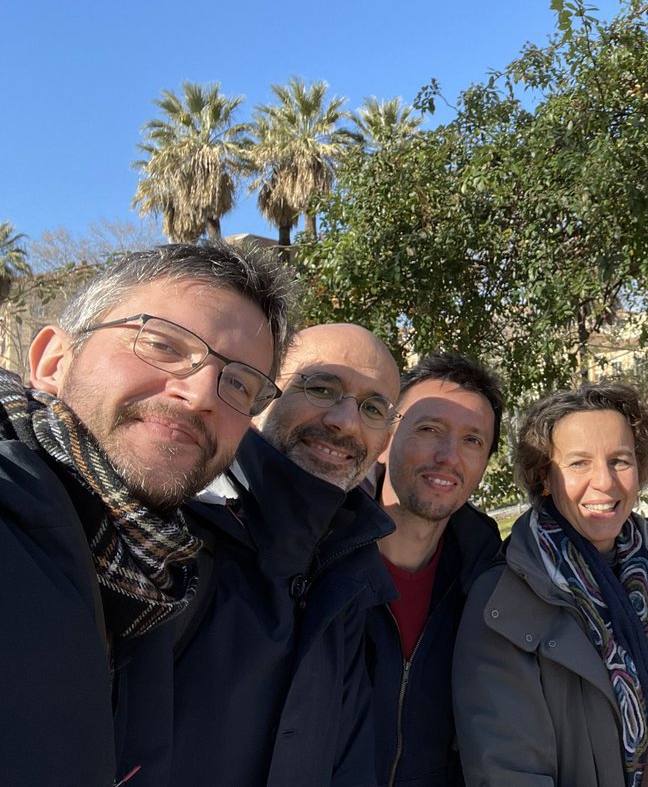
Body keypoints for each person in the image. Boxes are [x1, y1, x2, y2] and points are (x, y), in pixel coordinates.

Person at [0, 242, 293, 786]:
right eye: (161, 344)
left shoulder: (159, 573)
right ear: (52, 361)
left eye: (239, 384)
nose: (201, 393)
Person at [454, 382, 648, 786]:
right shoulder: (503, 600)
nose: (605, 482)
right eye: (578, 463)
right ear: (544, 477)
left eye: (619, 460)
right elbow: (508, 773)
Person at [169, 323, 402, 787]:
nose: (345, 421)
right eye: (321, 388)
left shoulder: (352, 565)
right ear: (260, 397)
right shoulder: (173, 532)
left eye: (374, 408)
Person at [365, 351, 505, 786]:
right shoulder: (314, 560)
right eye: (429, 429)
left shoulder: (492, 586)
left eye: (472, 441)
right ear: (385, 437)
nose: (449, 456)